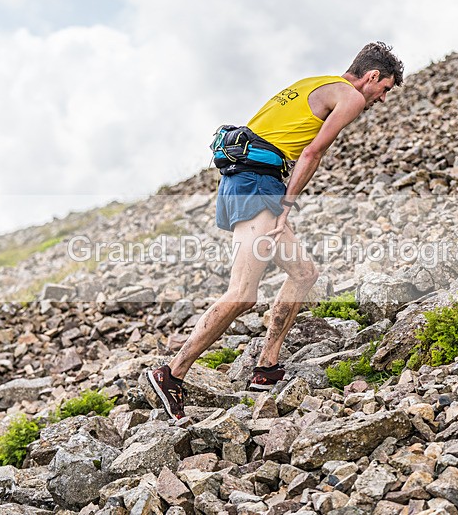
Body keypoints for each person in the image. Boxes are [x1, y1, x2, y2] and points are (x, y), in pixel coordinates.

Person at [148, 42, 404, 420]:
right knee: (242, 295)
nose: (382, 99)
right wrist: (286, 205)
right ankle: (171, 373)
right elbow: (312, 152)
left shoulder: (313, 82)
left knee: (304, 273)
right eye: (385, 90)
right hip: (257, 185)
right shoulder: (350, 97)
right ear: (372, 77)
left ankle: (265, 368)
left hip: (245, 179)